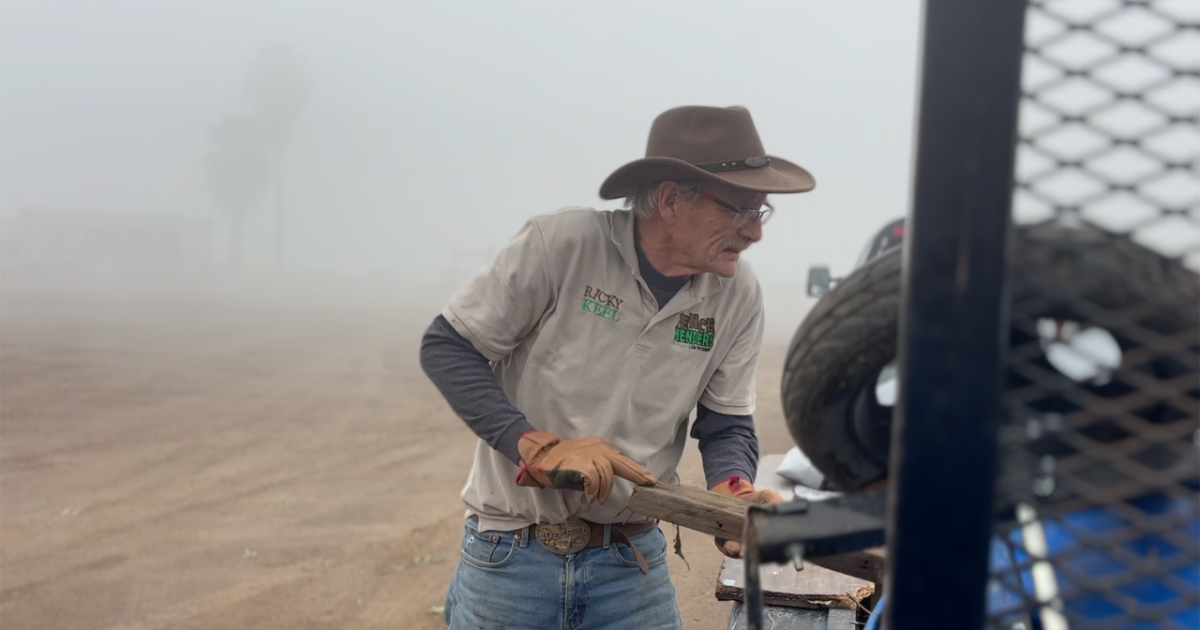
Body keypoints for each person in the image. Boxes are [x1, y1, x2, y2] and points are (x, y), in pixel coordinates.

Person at [419, 104, 816, 630]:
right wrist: (534, 445)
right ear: (671, 199)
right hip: (511, 555)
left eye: (760, 212)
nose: (754, 233)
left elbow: (726, 421)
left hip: (630, 564)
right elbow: (447, 346)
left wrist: (733, 490)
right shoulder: (563, 246)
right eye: (739, 211)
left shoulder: (736, 294)